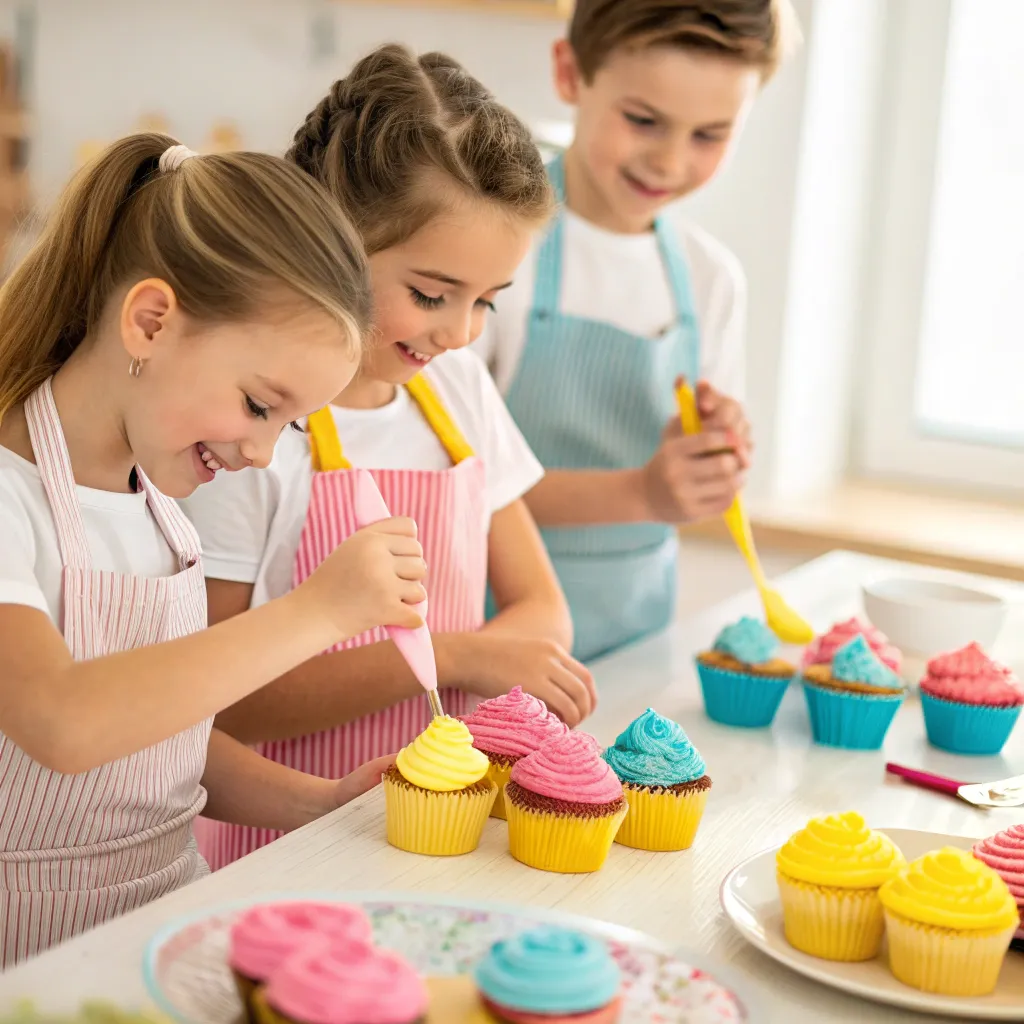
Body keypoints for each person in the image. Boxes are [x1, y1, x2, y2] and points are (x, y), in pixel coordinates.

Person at [0, 134, 426, 966]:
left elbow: (161, 747)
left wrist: (325, 804)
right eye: (260, 405)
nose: (262, 452)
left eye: (290, 426)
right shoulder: (10, 496)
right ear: (151, 322)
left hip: (163, 922)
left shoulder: (162, 510)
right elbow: (62, 723)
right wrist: (320, 612)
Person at [181, 45, 598, 871]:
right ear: (329, 238)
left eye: (487, 302)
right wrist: (455, 655)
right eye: (432, 294)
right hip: (283, 848)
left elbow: (543, 609)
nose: (461, 332)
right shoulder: (253, 432)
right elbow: (218, 705)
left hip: (439, 841)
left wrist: (492, 661)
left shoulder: (458, 391)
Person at [474, 0, 800, 661]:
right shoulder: (492, 249)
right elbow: (447, 485)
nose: (670, 161)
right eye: (644, 120)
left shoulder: (710, 279)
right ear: (571, 73)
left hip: (639, 643)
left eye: (709, 135)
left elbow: (695, 489)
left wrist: (712, 458)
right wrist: (641, 493)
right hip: (487, 639)